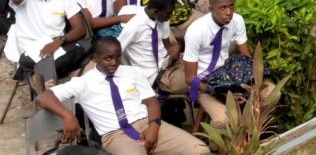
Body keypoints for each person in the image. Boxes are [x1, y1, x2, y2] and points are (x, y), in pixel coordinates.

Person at [38, 36, 209, 155]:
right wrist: (68, 116)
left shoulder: (133, 72)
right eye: (108, 58)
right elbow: (43, 97)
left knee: (200, 150)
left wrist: (154, 126)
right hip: (115, 135)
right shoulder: (84, 82)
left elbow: (151, 102)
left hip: (147, 124)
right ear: (95, 58)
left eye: (118, 58)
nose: (114, 63)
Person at [6, 0, 91, 92]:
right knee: (49, 84)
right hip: (33, 50)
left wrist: (59, 41)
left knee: (93, 74)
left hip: (58, 47)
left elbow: (80, 29)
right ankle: (51, 102)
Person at [171, 0, 252, 126]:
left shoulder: (237, 21)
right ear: (210, 9)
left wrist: (250, 81)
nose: (229, 12)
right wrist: (220, 92)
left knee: (271, 94)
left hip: (228, 77)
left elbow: (247, 59)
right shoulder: (196, 31)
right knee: (224, 119)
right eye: (222, 8)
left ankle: (253, 138)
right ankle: (218, 145)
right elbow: (190, 78)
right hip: (205, 83)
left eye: (231, 7)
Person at [116, 0, 179, 88]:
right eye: (168, 13)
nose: (171, 16)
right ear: (156, 11)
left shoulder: (163, 20)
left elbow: (167, 45)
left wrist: (176, 47)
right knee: (192, 80)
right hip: (152, 76)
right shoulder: (134, 26)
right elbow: (115, 50)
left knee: (199, 68)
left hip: (168, 66)